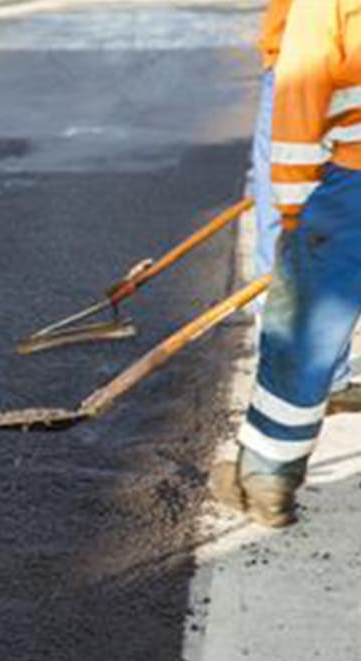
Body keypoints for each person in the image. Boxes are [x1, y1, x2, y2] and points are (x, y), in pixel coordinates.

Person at [214, 0, 361, 527]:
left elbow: (301, 96)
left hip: (353, 182)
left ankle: (266, 477)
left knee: (302, 327)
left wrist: (295, 214)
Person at [253, 0, 360, 413]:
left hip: (327, 60)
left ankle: (311, 375)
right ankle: (291, 379)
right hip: (309, 64)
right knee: (290, 219)